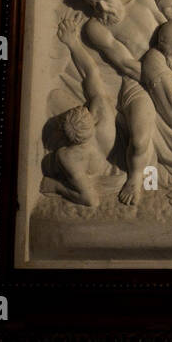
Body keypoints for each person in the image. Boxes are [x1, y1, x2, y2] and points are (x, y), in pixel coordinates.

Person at [78, 0, 165, 205]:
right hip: (138, 82)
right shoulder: (95, 28)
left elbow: (167, 29)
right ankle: (135, 178)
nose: (103, 8)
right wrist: (162, 84)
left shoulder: (142, 0)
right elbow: (126, 64)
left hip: (169, 68)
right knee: (138, 140)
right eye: (95, 5)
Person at [42, 11, 120, 207]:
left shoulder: (68, 156)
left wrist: (57, 187)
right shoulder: (102, 116)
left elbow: (91, 200)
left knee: (54, 98)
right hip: (101, 159)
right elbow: (91, 72)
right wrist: (72, 42)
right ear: (92, 119)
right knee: (56, 97)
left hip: (89, 166)